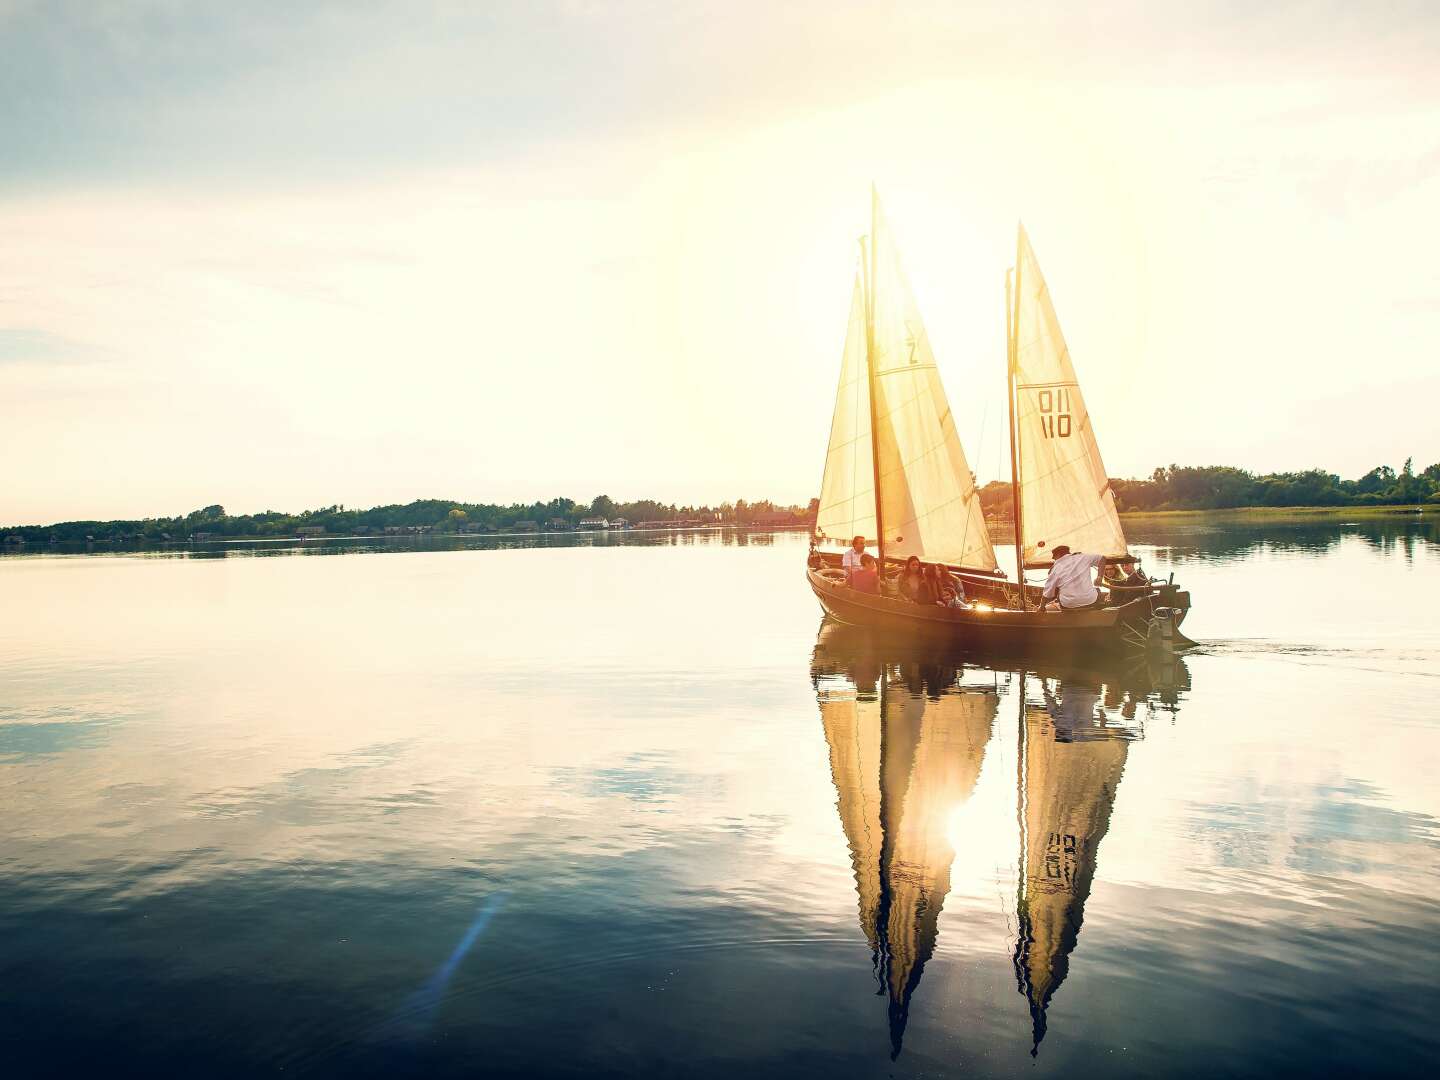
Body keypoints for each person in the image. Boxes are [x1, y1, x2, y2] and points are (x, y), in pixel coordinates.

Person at [1036, 544, 1108, 612]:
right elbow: (1102, 558)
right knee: (1097, 590)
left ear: (1058, 554)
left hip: (1068, 606)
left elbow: (1047, 593)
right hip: (1090, 602)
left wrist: (1041, 607)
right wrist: (1099, 577)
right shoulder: (1083, 557)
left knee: (1059, 594)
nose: (1053, 559)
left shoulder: (1055, 568)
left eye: (1054, 557)